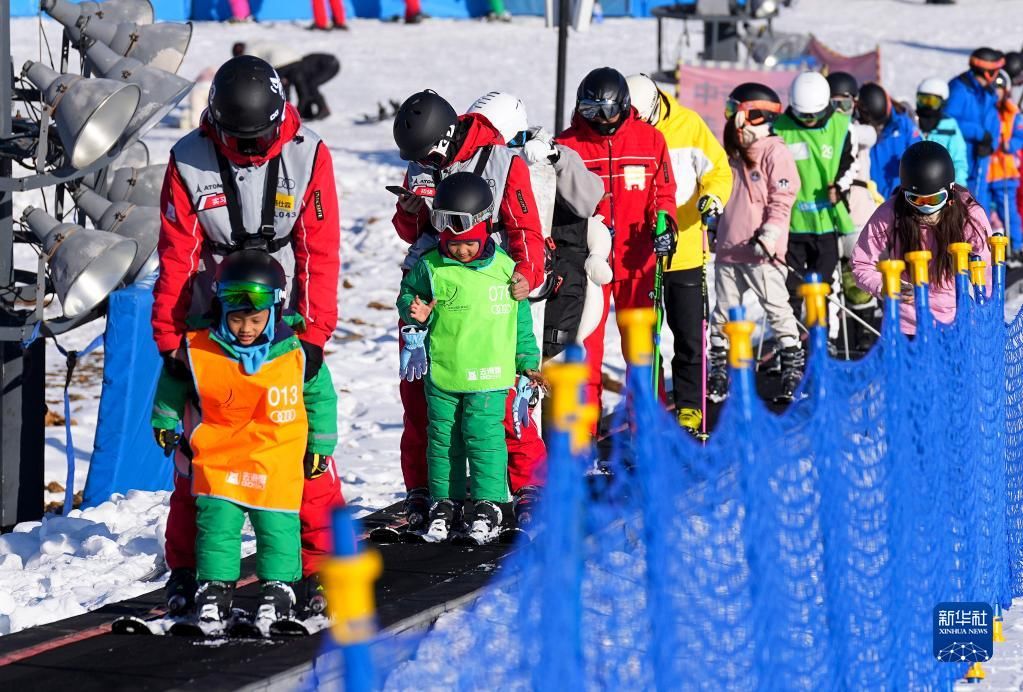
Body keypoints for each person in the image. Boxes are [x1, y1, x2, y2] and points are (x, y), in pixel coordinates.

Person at [153, 55, 342, 617]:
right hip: (211, 309)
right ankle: (189, 572)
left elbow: (319, 254)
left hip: (282, 311)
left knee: (299, 448)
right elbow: (177, 256)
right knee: (200, 451)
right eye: (240, 139)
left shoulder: (309, 156)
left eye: (260, 138)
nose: (252, 148)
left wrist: (312, 339)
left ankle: (318, 567)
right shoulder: (188, 160)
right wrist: (174, 346)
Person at [152, 251, 338, 627]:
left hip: (276, 458)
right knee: (217, 526)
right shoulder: (199, 348)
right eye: (237, 319)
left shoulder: (296, 353)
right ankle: (214, 587)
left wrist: (321, 443)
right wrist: (165, 419)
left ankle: (279, 587)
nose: (246, 328)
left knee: (278, 526)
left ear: (274, 311)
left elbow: (321, 398)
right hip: (221, 459)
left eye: (255, 319)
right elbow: (174, 381)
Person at [391, 90, 546, 531]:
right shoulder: (422, 160)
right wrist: (407, 212)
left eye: (425, 155)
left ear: (443, 139)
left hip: (488, 291)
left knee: (501, 397)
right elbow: (410, 231)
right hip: (430, 286)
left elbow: (526, 228)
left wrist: (526, 274)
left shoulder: (502, 161)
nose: (422, 163)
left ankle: (527, 485)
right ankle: (428, 489)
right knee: (422, 396)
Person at [555, 67, 677, 416]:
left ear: (624, 106)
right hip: (588, 264)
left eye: (607, 111)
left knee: (641, 350)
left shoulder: (649, 139)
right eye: (590, 112)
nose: (600, 121)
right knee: (584, 350)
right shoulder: (567, 145)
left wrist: (664, 225)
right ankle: (585, 434)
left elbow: (663, 192)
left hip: (636, 259)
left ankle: (648, 430)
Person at [626, 73, 732, 437]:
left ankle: (690, 407)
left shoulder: (688, 124)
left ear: (656, 104)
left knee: (688, 334)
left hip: (685, 248)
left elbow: (719, 169)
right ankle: (649, 410)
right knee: (645, 337)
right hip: (641, 253)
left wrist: (712, 197)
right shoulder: (626, 130)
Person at [706, 83, 803, 402]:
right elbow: (726, 195)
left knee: (777, 310)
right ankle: (719, 368)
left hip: (762, 253)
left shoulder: (775, 151)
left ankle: (792, 365)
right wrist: (714, 227)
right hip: (730, 250)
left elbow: (783, 198)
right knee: (723, 313)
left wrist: (770, 234)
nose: (729, 117)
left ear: (756, 115)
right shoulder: (733, 151)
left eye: (735, 111)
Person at [851, 141, 991, 334]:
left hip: (956, 321)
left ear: (949, 191)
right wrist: (886, 286)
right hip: (908, 323)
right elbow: (861, 263)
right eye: (916, 200)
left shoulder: (969, 215)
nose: (925, 208)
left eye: (934, 199)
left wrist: (986, 314)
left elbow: (985, 270)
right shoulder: (892, 213)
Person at [772, 71, 856, 322]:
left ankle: (819, 339)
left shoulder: (841, 127)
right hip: (792, 223)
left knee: (821, 286)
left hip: (826, 222)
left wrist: (839, 187)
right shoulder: (779, 129)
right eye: (802, 115)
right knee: (793, 287)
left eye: (814, 115)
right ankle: (794, 342)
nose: (808, 120)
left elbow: (849, 165)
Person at [827, 71, 883, 349]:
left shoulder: (860, 130)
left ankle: (866, 333)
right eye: (833, 104)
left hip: (858, 214)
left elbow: (869, 135)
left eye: (844, 105)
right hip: (828, 214)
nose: (839, 111)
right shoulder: (820, 133)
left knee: (857, 277)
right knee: (832, 279)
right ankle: (834, 336)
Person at [945, 47, 1005, 214]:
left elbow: (993, 120)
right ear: (987, 72)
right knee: (959, 205)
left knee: (979, 205)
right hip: (961, 157)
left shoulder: (987, 93)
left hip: (981, 157)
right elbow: (949, 121)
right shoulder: (960, 89)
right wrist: (979, 134)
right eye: (995, 71)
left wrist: (991, 143)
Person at [232, 42, 340, 121]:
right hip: (295, 58)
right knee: (302, 88)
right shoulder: (259, 43)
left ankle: (285, 115)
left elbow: (252, 65)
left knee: (282, 91)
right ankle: (305, 112)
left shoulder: (248, 50)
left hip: (279, 62)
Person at [857, 82, 921, 201]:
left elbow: (920, 152)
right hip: (870, 201)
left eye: (882, 124)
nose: (879, 128)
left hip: (900, 202)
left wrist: (912, 163)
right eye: (877, 126)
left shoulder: (903, 125)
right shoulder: (859, 131)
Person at [988, 70, 1023, 252]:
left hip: (1005, 170)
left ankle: (1016, 248)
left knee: (1008, 212)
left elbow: (1020, 133)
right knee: (982, 211)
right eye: (993, 87)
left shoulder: (1011, 111)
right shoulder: (985, 109)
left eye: (999, 87)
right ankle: (986, 250)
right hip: (986, 171)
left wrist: (1010, 144)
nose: (996, 91)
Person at [915, 78, 969, 186]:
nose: (927, 106)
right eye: (923, 100)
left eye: (932, 102)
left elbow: (958, 161)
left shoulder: (949, 127)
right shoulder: (911, 124)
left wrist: (958, 188)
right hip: (913, 184)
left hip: (940, 187)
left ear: (942, 102)